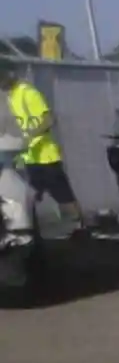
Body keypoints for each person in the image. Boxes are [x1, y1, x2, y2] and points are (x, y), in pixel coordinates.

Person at [3, 62, 86, 237]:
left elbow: (48, 120)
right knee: (29, 196)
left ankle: (79, 227)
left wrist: (29, 137)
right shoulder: (12, 96)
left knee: (62, 195)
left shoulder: (27, 92)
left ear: (7, 74)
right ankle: (30, 231)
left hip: (45, 156)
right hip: (30, 157)